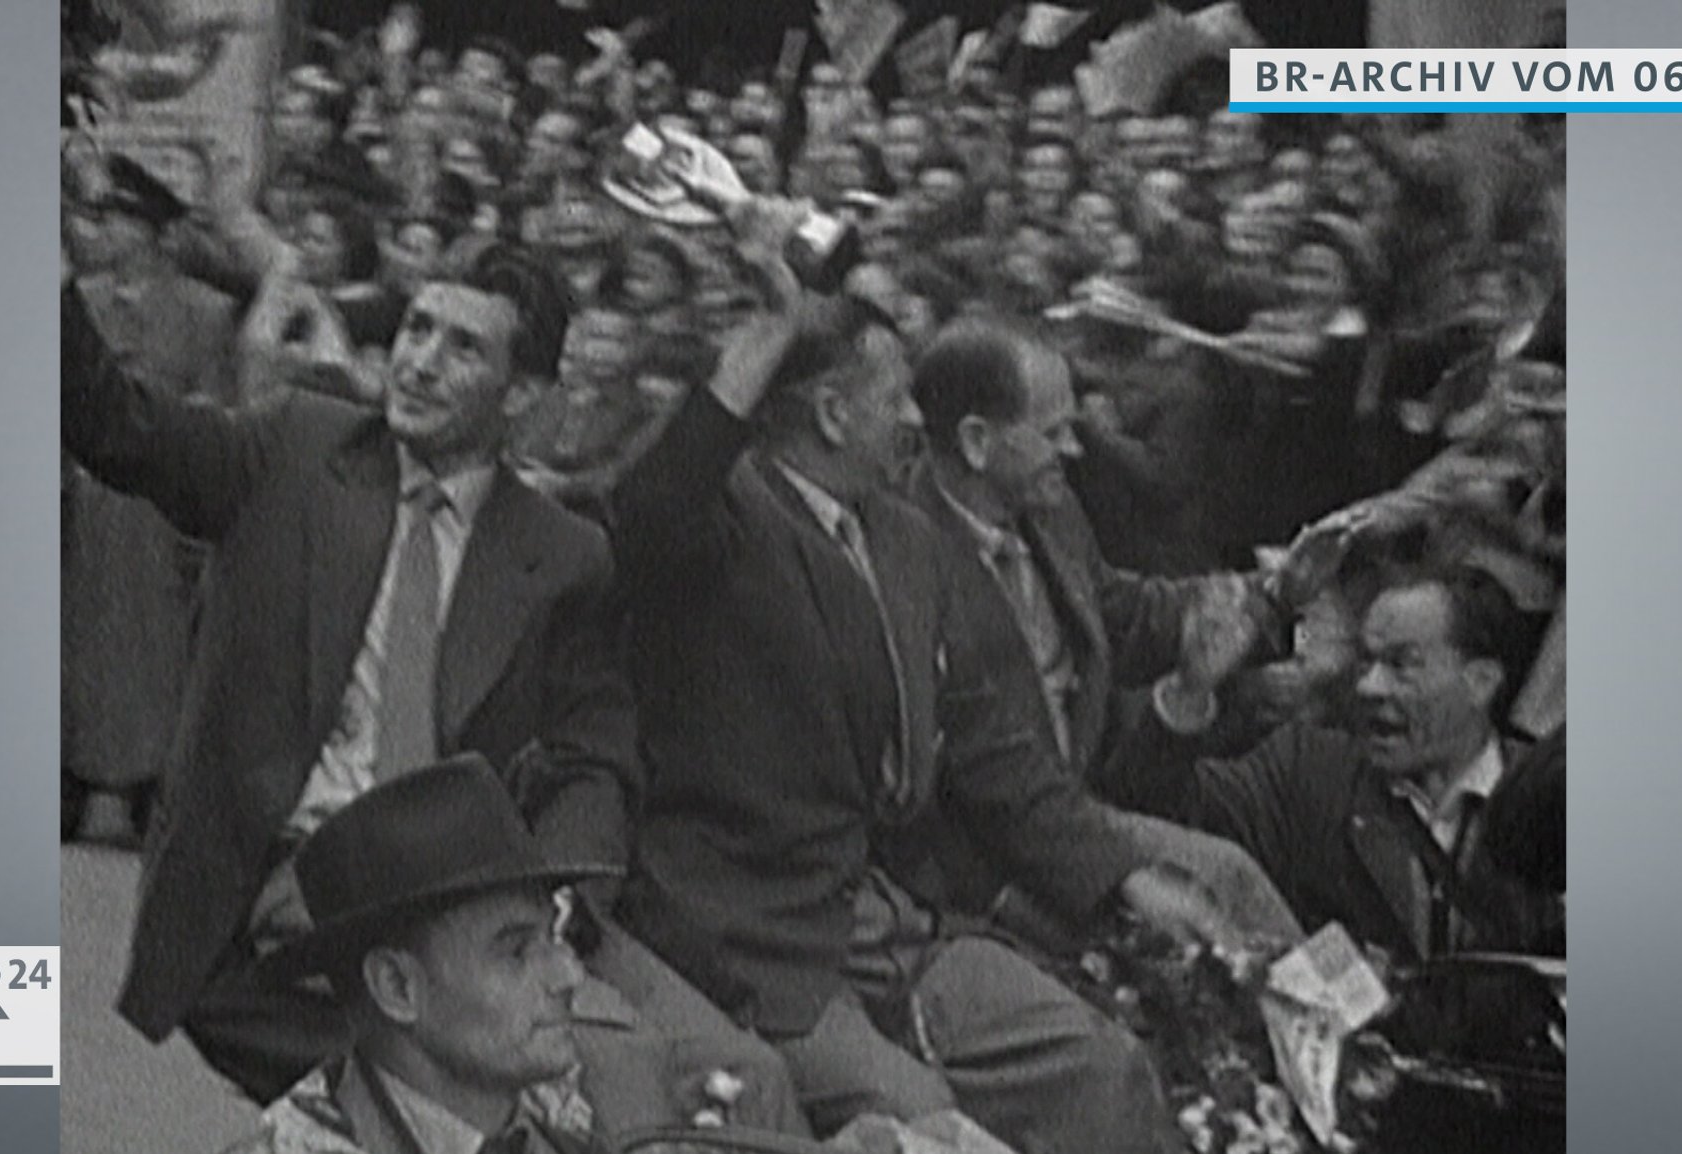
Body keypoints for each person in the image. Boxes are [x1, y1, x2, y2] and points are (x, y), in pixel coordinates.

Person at [62, 239, 804, 1135]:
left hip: (481, 906)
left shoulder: (561, 554)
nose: (418, 362)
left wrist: (557, 906)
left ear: (522, 395)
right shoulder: (294, 452)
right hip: (294, 896)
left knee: (735, 1080)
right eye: (418, 328)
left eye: (463, 348)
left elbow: (592, 760)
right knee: (550, 1096)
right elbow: (114, 424)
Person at [610, 200, 1233, 1154]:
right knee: (923, 1120)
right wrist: (773, 322)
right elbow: (651, 509)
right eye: (898, 398)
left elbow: (992, 751)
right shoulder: (725, 519)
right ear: (831, 412)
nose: (914, 419)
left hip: (899, 915)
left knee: (1099, 1067)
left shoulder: (905, 537)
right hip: (756, 933)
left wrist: (1125, 880)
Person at [903, 320, 1305, 953]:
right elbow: (986, 790)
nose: (1075, 449)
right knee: (1218, 887)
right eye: (1053, 431)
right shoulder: (907, 559)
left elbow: (1121, 609)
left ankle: (1341, 1039)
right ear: (977, 442)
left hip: (1086, 797)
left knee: (1245, 862)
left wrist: (1267, 595)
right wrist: (1117, 875)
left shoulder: (1050, 508)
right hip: (994, 860)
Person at [1123, 565, 1565, 964]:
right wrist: (1189, 692)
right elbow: (1156, 814)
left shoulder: (1556, 799)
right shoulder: (1306, 769)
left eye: (1401, 665)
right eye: (1366, 661)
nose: (1370, 686)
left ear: (1481, 682)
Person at [222, 757, 611, 1154]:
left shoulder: (604, 1121)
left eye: (555, 935)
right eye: (516, 952)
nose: (569, 974)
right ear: (397, 986)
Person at [61, 152, 236, 840]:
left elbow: (215, 424)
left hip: (158, 503)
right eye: (92, 213)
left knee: (122, 517)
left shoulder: (207, 314)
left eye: (115, 217)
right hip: (73, 488)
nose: (95, 226)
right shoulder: (76, 303)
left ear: (159, 232)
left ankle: (118, 775)